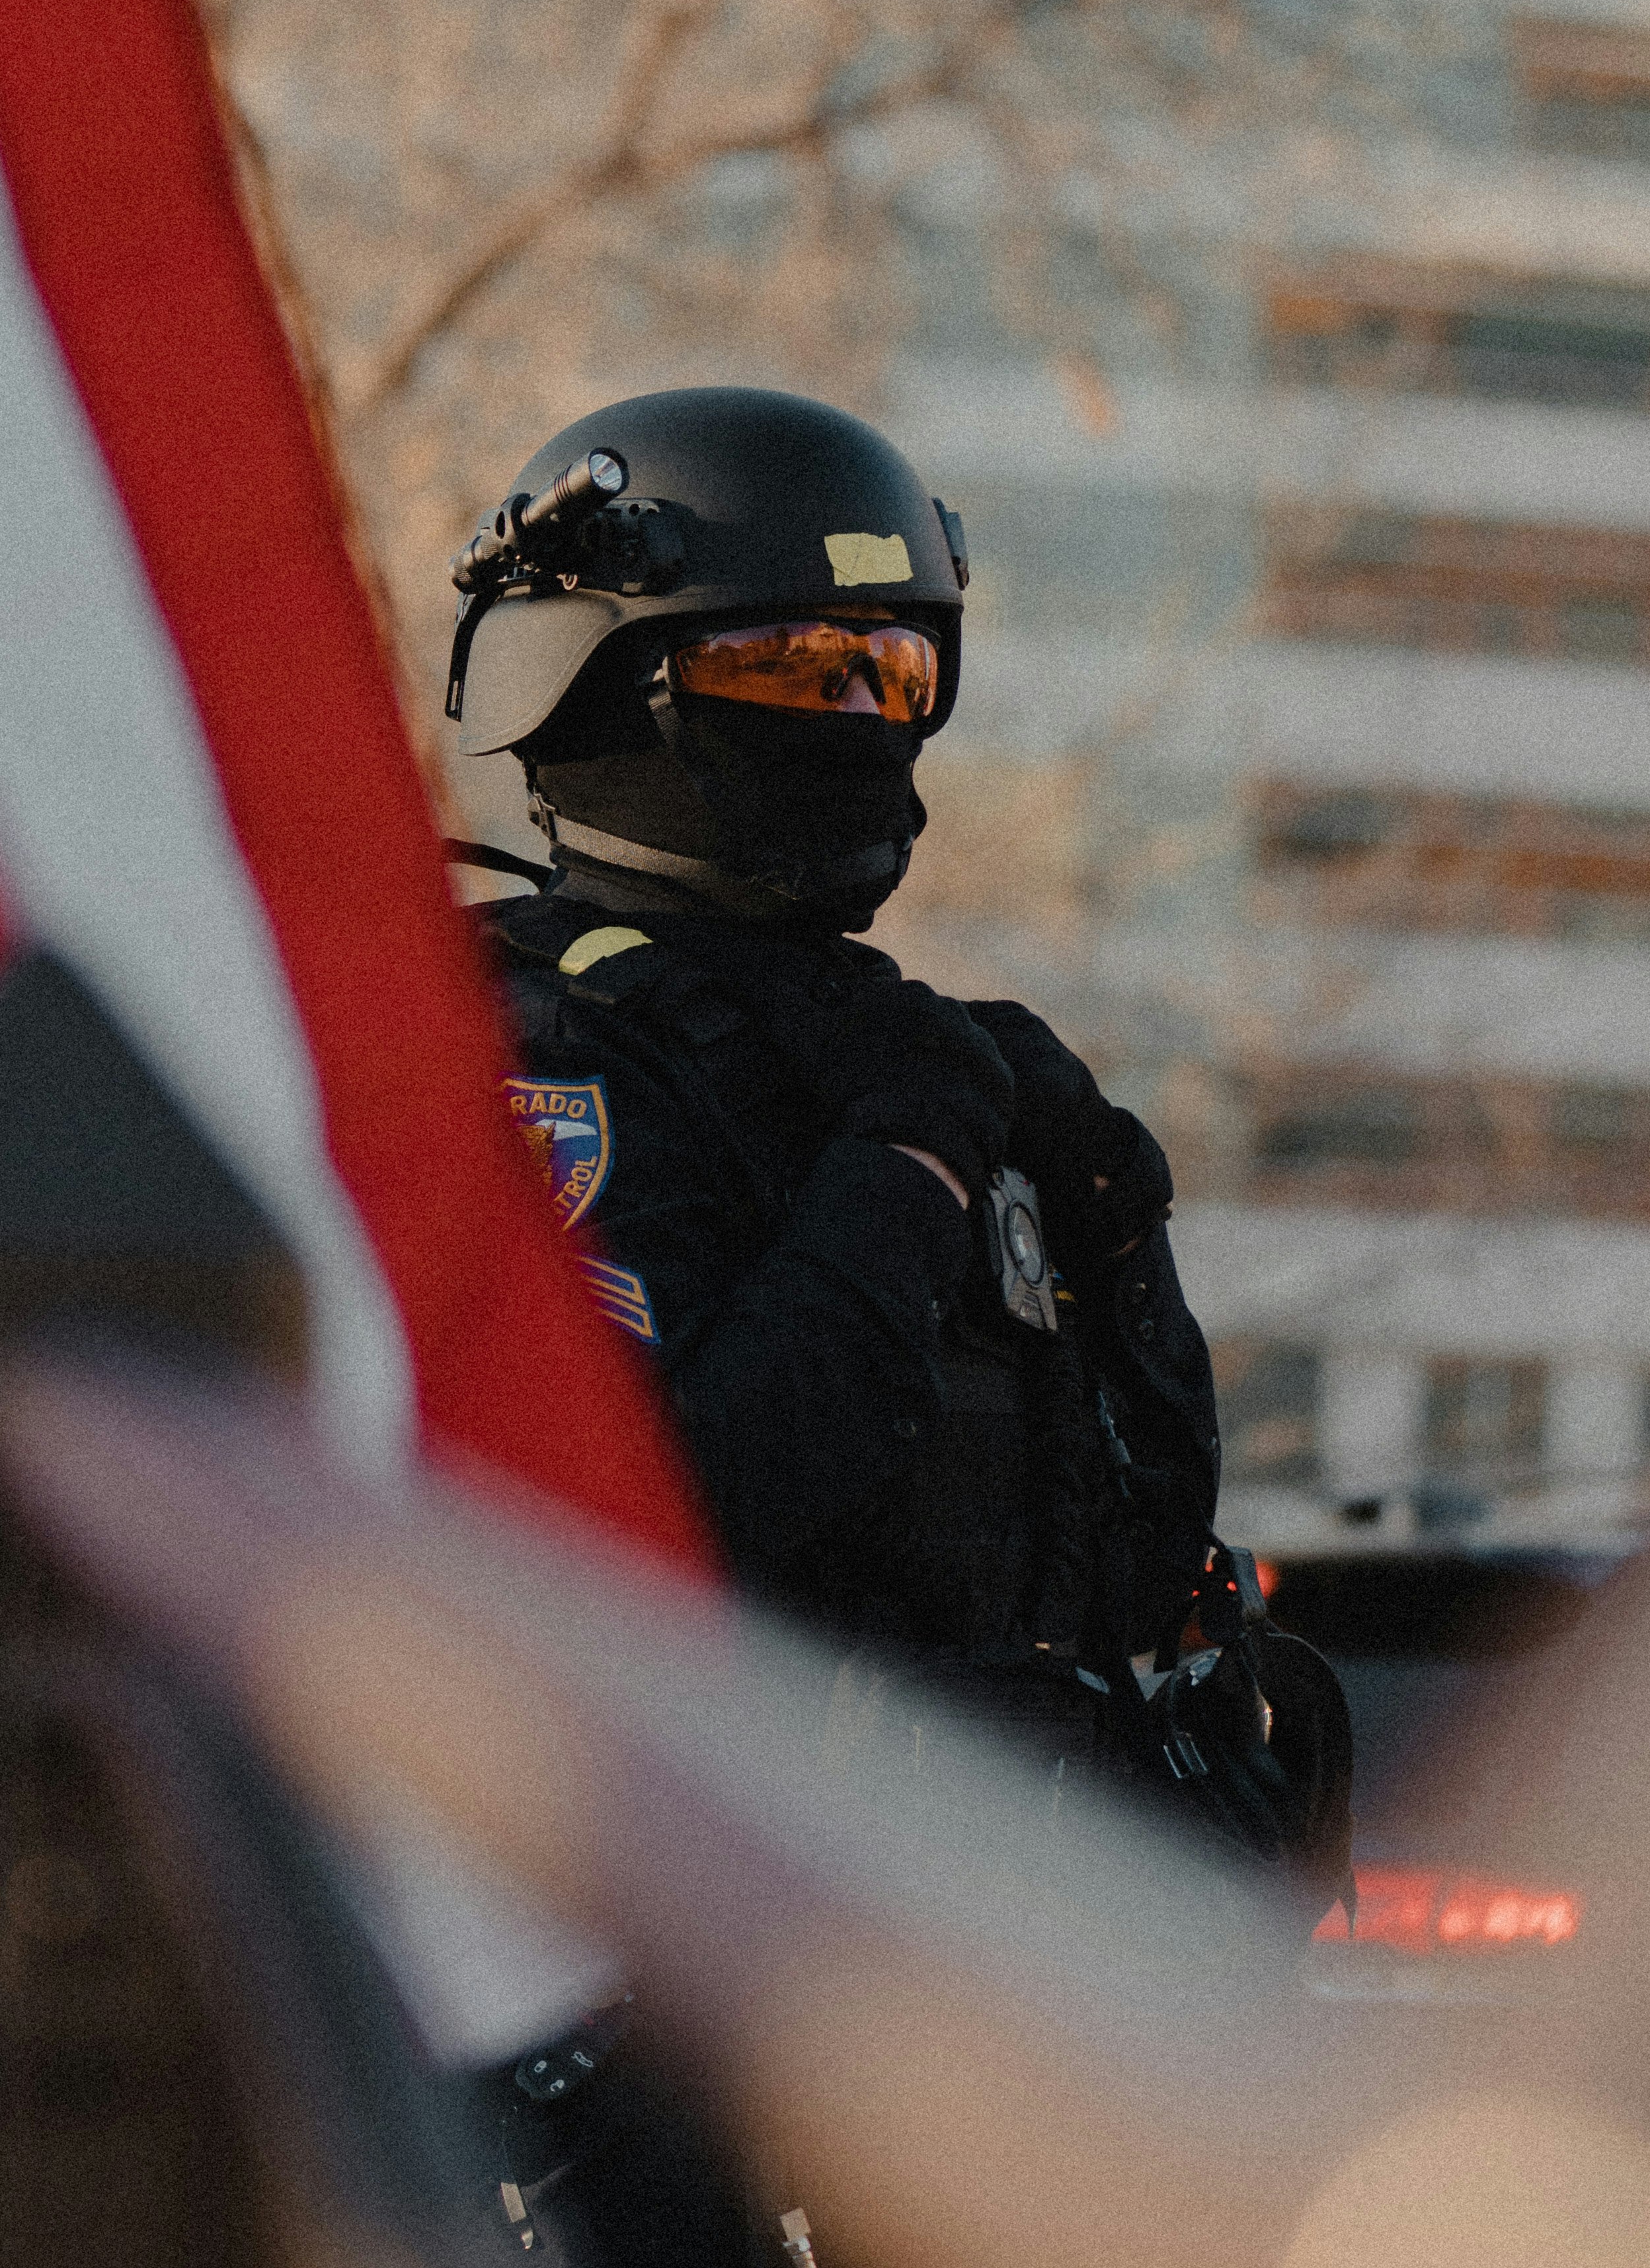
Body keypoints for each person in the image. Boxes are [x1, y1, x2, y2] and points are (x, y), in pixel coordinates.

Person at [449, 385, 1351, 1903]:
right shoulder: (519, 1059)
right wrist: (908, 1169)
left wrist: (1115, 1226)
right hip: (674, 1975)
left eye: (894, 669)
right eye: (800, 666)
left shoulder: (929, 1054)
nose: (862, 717)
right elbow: (666, 1520)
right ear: (601, 675)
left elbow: (1114, 1567)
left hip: (982, 1990)